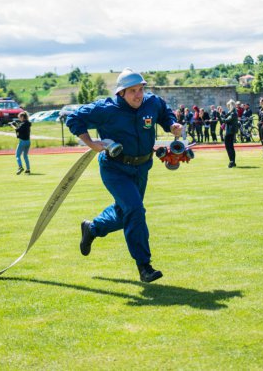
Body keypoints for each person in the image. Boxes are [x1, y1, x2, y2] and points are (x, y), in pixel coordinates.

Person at [66, 68, 182, 283]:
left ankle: (92, 228)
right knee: (135, 210)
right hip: (114, 168)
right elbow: (74, 118)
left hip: (142, 167)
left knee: (127, 212)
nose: (139, 95)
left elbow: (164, 113)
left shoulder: (152, 102)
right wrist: (91, 143)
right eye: (132, 91)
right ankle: (144, 266)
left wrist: (172, 124)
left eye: (141, 89)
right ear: (121, 93)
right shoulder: (105, 109)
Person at [218, 100, 239, 167]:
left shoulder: (233, 113)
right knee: (230, 147)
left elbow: (225, 120)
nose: (228, 107)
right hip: (230, 131)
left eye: (228, 106)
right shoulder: (233, 112)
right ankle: (232, 161)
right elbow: (226, 118)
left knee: (229, 147)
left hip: (229, 132)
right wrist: (221, 114)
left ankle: (232, 161)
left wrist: (220, 116)